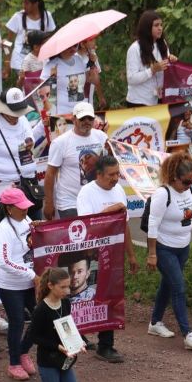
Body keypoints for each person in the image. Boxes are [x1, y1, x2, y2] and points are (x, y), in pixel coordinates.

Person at [75, 155, 139, 363]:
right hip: (92, 255)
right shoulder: (87, 193)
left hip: (114, 254)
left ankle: (106, 345)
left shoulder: (119, 190)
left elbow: (124, 224)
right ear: (99, 174)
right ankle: (79, 334)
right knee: (85, 297)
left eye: (117, 174)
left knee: (110, 298)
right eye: (111, 175)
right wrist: (112, 210)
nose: (115, 178)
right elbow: (87, 224)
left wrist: (130, 254)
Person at [146, 153, 192, 350]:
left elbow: (185, 212)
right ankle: (188, 334)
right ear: (174, 177)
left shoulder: (186, 191)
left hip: (183, 247)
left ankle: (155, 323)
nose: (190, 185)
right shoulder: (162, 194)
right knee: (179, 287)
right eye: (186, 181)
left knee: (168, 284)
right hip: (165, 248)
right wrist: (152, 253)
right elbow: (152, 223)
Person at [30, 267, 83, 382]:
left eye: (68, 287)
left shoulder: (65, 303)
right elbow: (34, 337)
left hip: (65, 360)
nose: (67, 291)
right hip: (48, 362)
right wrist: (57, 346)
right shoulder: (41, 310)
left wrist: (78, 341)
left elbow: (68, 326)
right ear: (51, 286)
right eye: (63, 287)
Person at [0, 187, 38, 381]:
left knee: (39, 318)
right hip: (11, 285)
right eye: (21, 207)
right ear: (9, 209)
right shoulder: (4, 229)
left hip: (29, 282)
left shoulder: (25, 220)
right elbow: (4, 261)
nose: (25, 210)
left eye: (26, 207)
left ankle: (23, 351)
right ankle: (14, 363)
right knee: (17, 322)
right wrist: (30, 273)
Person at [44, 102, 108, 220]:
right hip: (70, 203)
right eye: (82, 118)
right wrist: (49, 202)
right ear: (73, 119)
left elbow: (108, 166)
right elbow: (50, 173)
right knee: (77, 238)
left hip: (96, 199)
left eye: (90, 118)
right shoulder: (60, 142)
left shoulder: (102, 137)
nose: (87, 121)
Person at [0, 88, 38, 188]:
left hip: (27, 180)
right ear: (3, 110)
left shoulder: (23, 119)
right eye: (14, 112)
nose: (18, 115)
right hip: (1, 185)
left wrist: (31, 142)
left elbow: (30, 136)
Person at [126, 10, 177, 107]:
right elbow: (131, 79)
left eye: (161, 25)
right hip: (139, 102)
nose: (160, 28)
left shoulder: (162, 44)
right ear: (147, 27)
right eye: (156, 25)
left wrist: (172, 60)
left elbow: (166, 66)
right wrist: (152, 70)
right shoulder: (135, 48)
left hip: (159, 99)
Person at [5, 0, 56, 79]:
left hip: (40, 62)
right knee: (26, 87)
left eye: (26, 3)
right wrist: (7, 62)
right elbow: (7, 43)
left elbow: (50, 41)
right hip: (19, 62)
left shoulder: (47, 16)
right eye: (23, 2)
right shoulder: (18, 17)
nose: (23, 5)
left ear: (36, 4)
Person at [40, 42, 89, 116]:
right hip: (62, 113)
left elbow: (85, 83)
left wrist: (92, 63)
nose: (73, 49)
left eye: (75, 45)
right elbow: (44, 95)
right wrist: (52, 78)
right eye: (69, 46)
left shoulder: (79, 60)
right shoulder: (51, 66)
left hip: (81, 111)